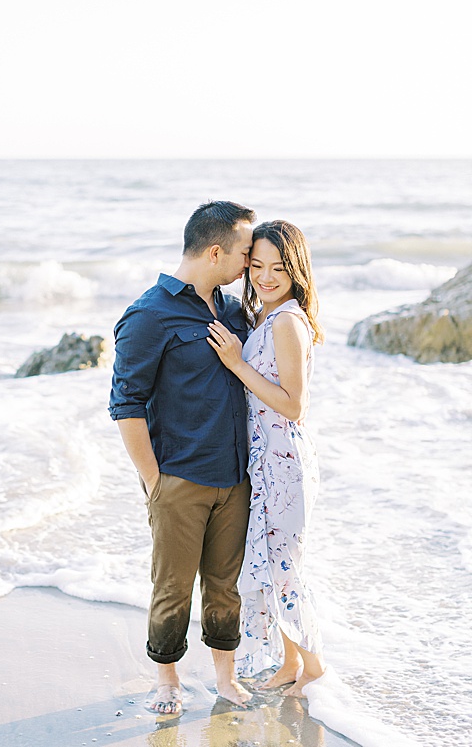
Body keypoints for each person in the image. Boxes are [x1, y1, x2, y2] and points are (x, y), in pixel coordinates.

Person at [109, 200, 256, 715]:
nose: (249, 265)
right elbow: (124, 405)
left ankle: (225, 678)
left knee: (225, 587)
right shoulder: (149, 315)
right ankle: (166, 681)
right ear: (215, 252)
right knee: (172, 588)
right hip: (179, 480)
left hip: (235, 478)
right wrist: (155, 482)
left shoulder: (234, 310)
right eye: (244, 253)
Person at [206, 220, 326, 697]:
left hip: (285, 464)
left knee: (285, 568)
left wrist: (236, 364)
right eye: (257, 266)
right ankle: (289, 663)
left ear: (296, 269)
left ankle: (313, 665)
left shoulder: (288, 322)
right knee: (270, 563)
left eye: (279, 267)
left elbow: (295, 404)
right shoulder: (269, 318)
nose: (266, 277)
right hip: (268, 462)